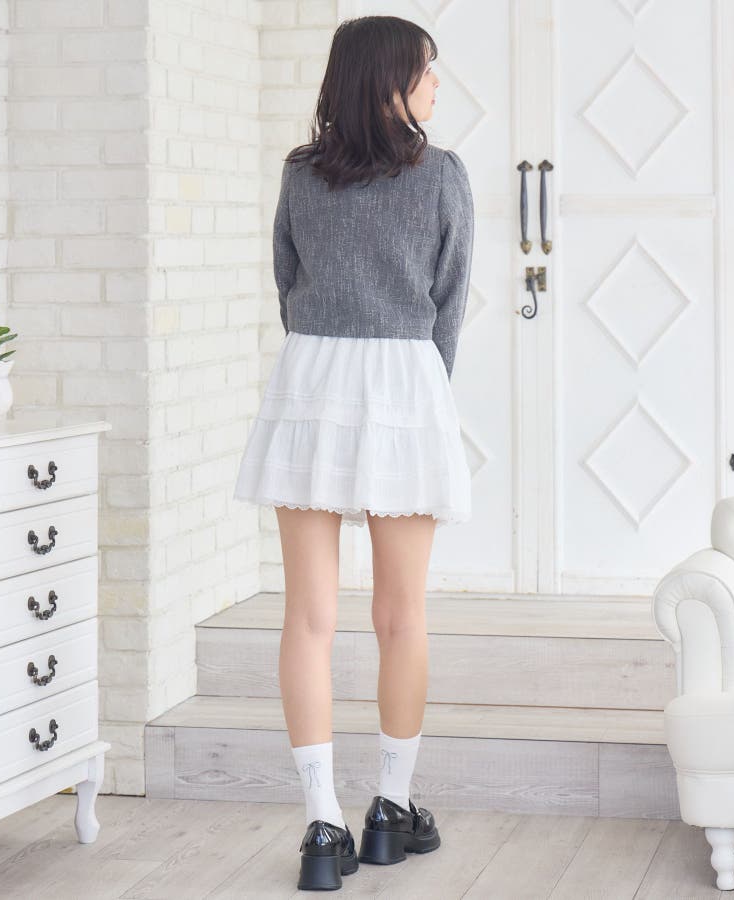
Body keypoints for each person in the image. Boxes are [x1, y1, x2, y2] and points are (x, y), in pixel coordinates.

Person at [232, 13, 474, 892]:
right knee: (401, 616)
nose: (437, 84)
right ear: (388, 80)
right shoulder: (442, 175)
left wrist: (326, 351)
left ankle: (321, 826)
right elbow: (449, 301)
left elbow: (286, 283)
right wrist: (418, 386)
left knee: (308, 616)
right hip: (406, 382)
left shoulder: (301, 174)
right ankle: (390, 811)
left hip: (312, 381)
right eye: (427, 70)